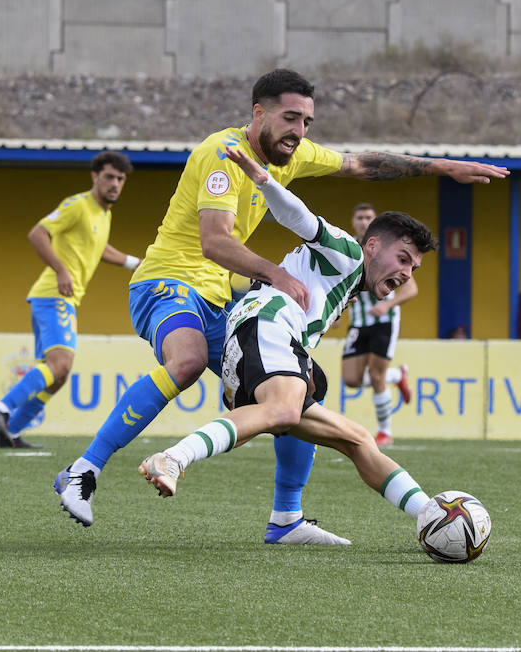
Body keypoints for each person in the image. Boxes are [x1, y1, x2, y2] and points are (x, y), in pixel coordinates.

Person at [53, 68, 508, 541]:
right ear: (259, 113)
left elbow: (360, 164)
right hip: (169, 280)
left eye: (308, 121)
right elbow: (214, 242)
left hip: (222, 301)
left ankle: (287, 518)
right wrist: (274, 273)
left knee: (303, 399)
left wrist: (442, 168)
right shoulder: (221, 154)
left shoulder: (293, 156)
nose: (300, 131)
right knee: (187, 361)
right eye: (291, 118)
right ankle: (84, 470)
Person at [138, 146, 438, 535]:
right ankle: (174, 458)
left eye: (413, 267)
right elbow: (301, 218)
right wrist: (265, 181)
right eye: (403, 258)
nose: (407, 273)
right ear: (374, 245)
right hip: (266, 327)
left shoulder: (348, 283)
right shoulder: (348, 252)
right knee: (284, 409)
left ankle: (429, 514)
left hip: (266, 341)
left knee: (357, 438)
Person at [0, 152, 141, 449]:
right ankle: (0, 409)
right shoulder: (78, 205)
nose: (115, 184)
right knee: (61, 363)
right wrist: (60, 269)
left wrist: (135, 263)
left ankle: (10, 434)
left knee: (58, 374)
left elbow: (99, 248)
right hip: (53, 295)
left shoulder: (103, 214)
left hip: (63, 299)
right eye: (109, 177)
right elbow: (37, 233)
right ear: (95, 177)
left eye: (120, 179)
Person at [339, 202, 414, 447]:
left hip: (384, 320)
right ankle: (397, 375)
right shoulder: (347, 247)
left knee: (375, 374)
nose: (363, 221)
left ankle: (385, 432)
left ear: (375, 221)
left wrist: (387, 305)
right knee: (351, 379)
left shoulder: (388, 248)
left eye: (368, 217)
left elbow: (411, 288)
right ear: (353, 221)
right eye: (360, 217)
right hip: (358, 323)